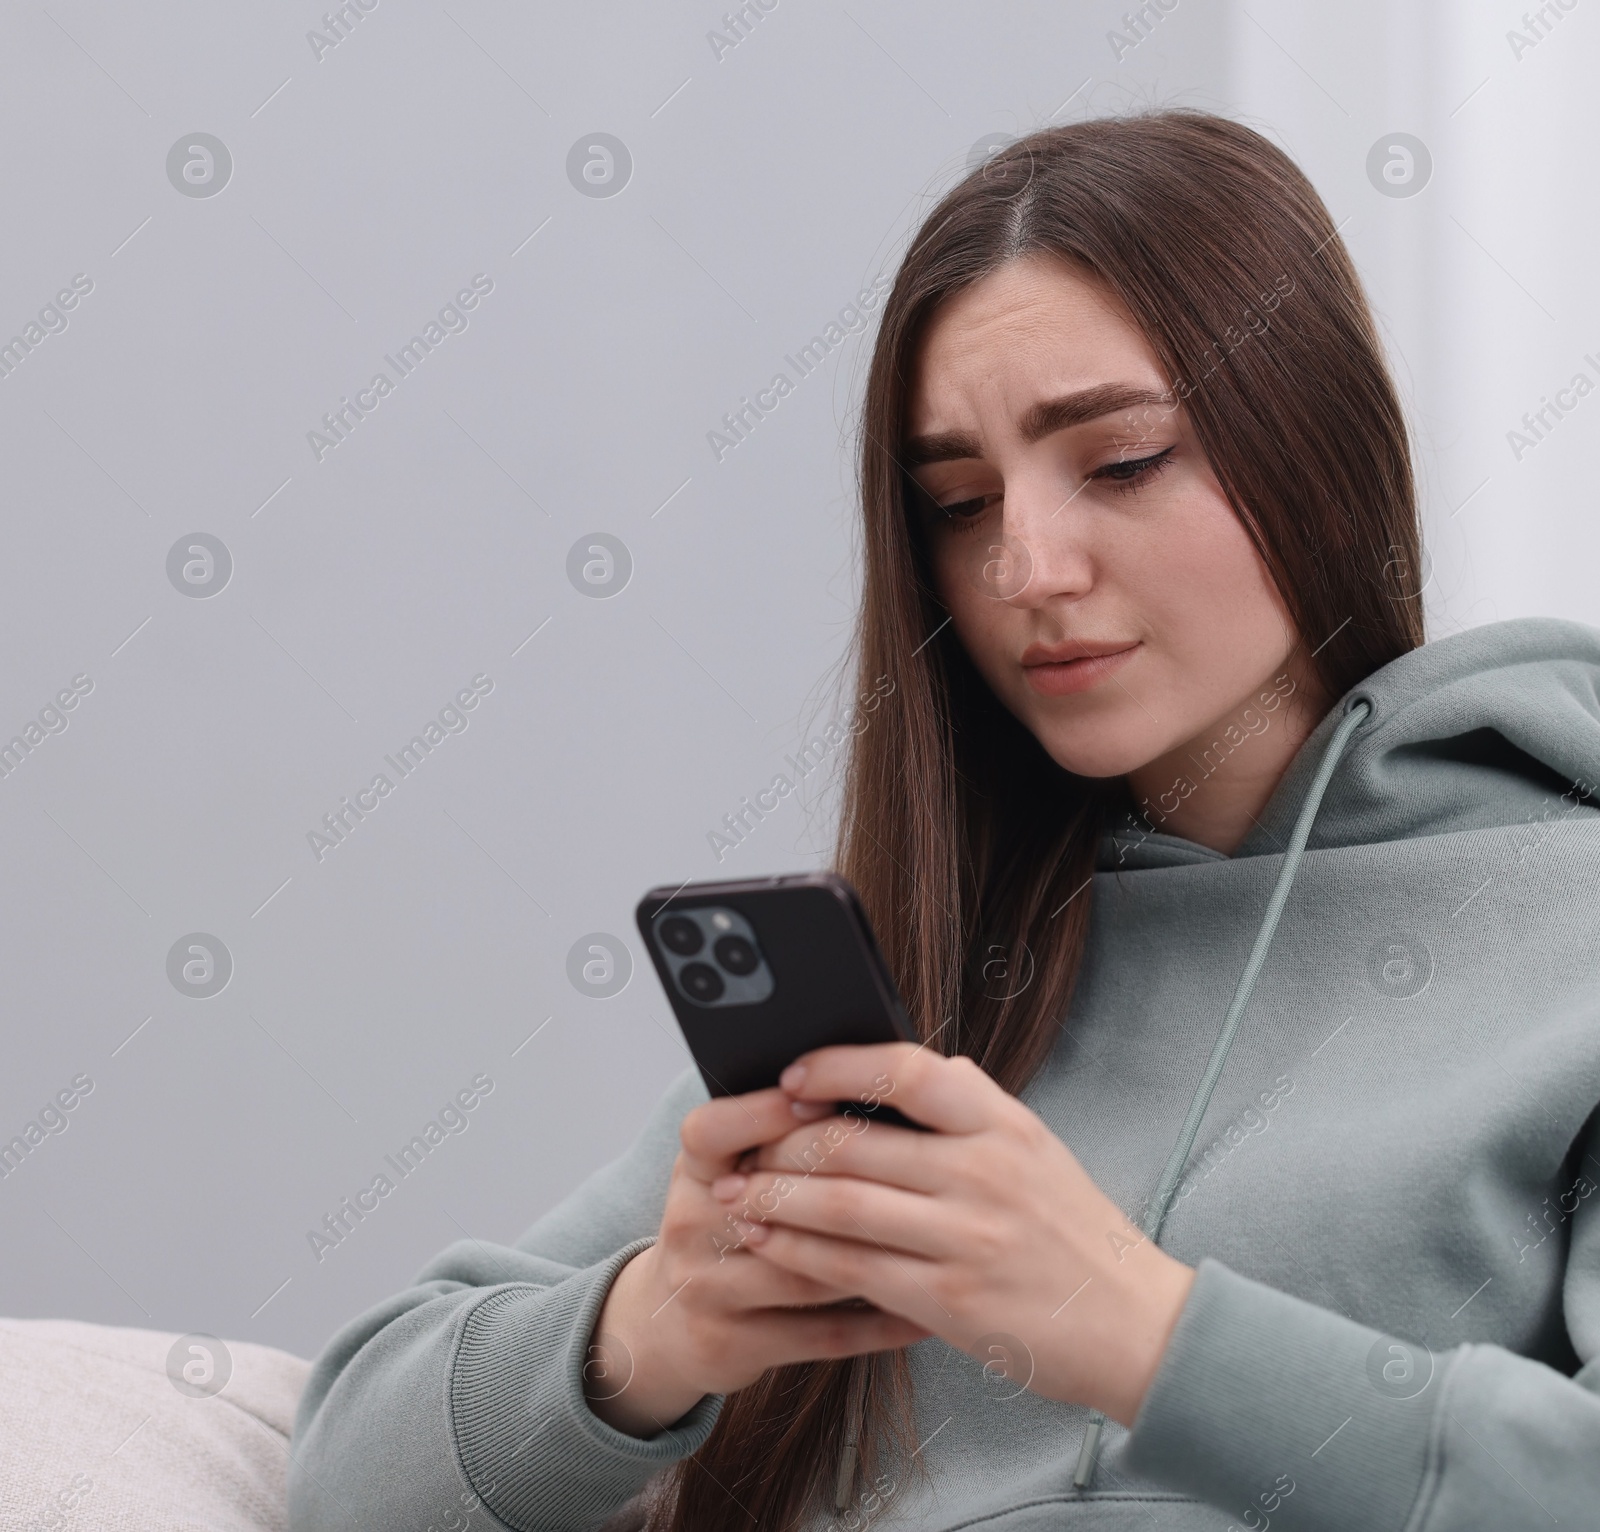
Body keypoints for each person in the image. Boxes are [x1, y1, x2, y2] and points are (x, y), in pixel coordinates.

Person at [288, 111, 1600, 1532]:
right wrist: (656, 1330)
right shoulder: (930, 975)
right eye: (959, 503)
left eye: (1121, 460)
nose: (1025, 567)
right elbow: (355, 1472)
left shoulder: (1566, 941)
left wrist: (1134, 1327)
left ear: (1319, 449)